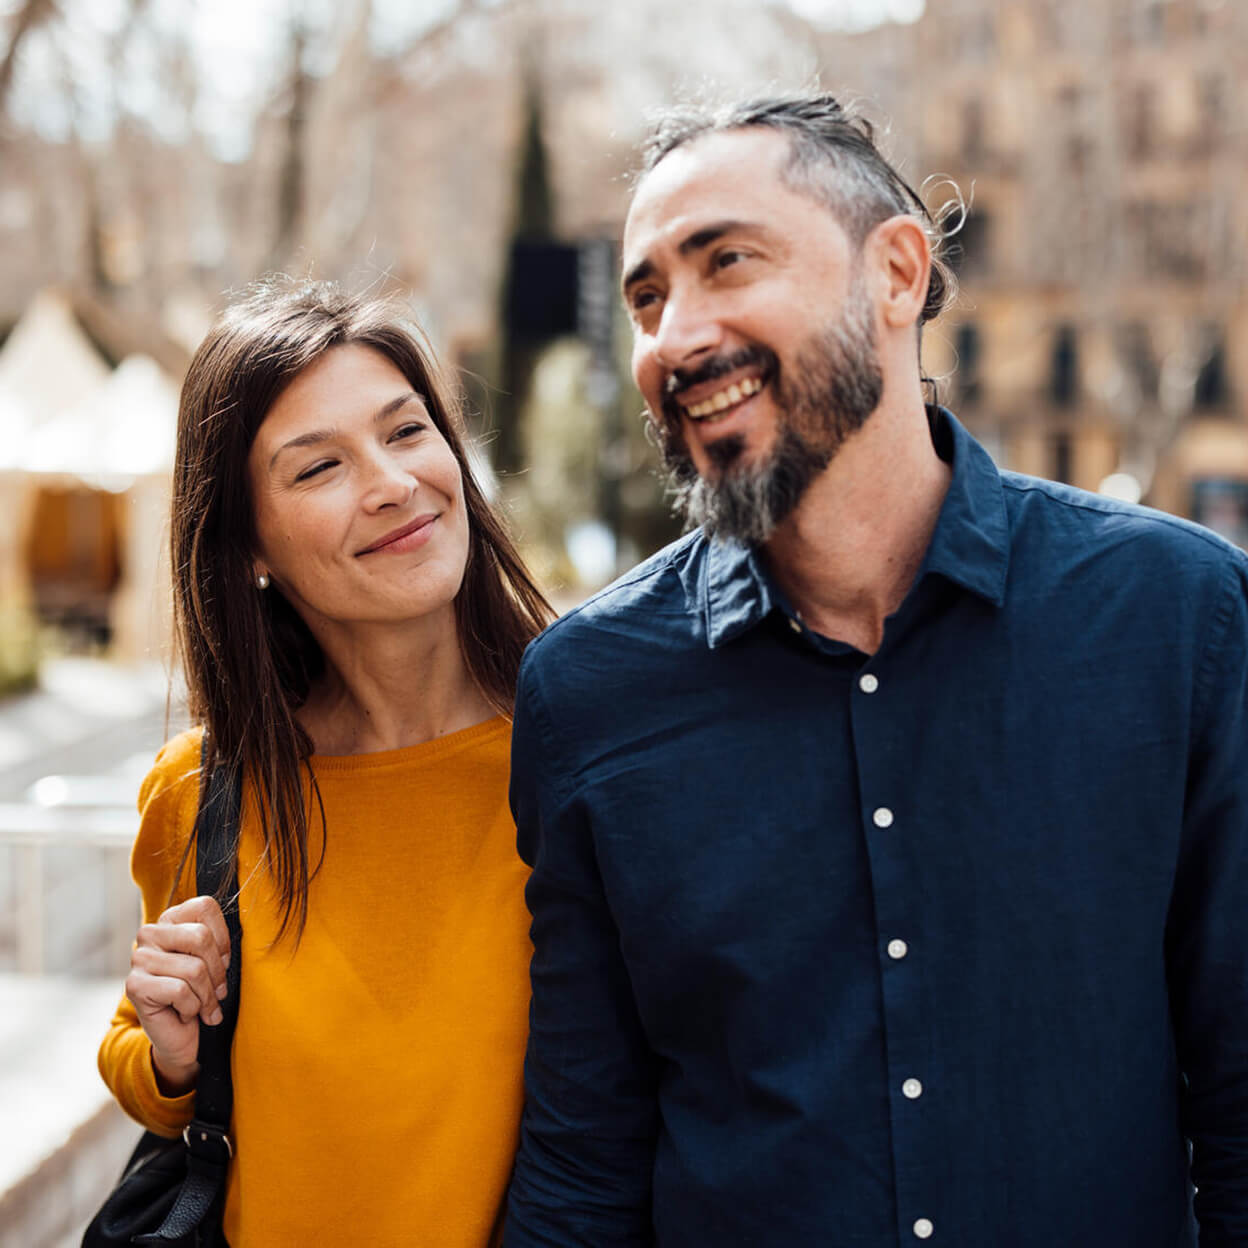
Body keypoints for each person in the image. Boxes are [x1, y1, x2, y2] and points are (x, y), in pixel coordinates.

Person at [504, 94, 1248, 1247]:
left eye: (727, 262)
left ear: (897, 273)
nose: (675, 336)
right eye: (647, 296)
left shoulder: (1178, 619)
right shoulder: (588, 694)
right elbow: (585, 1160)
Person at [98, 280, 551, 1247]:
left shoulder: (579, 751)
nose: (391, 482)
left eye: (407, 431)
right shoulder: (202, 793)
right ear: (248, 545)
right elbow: (147, 1072)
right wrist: (175, 1052)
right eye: (318, 470)